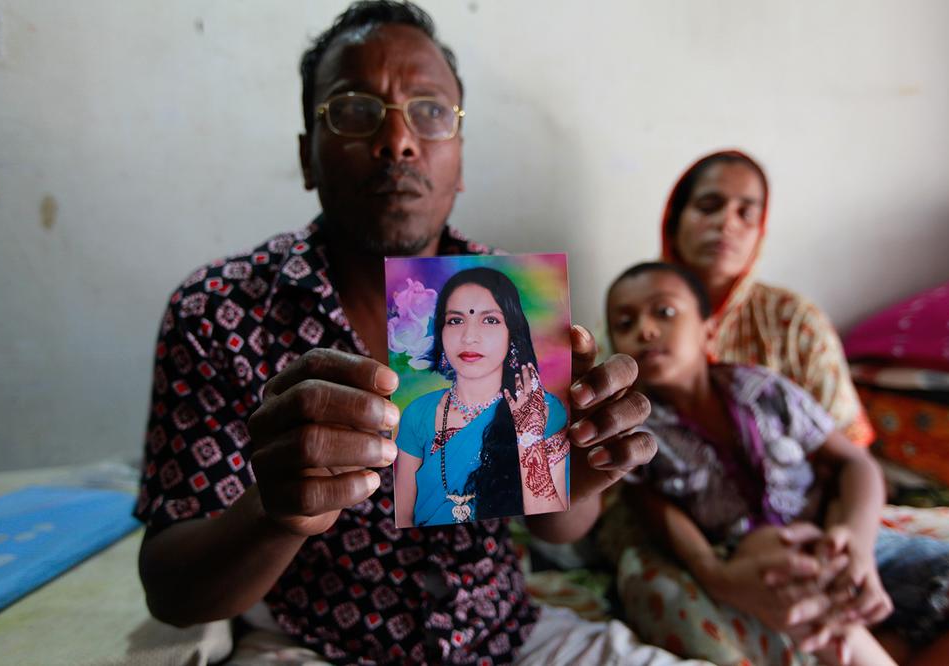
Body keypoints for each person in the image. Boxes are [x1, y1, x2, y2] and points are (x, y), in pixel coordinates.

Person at [134, 3, 686, 664]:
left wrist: (580, 475)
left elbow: (555, 526)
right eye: (354, 110)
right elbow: (172, 592)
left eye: (429, 111)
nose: (397, 140)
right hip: (316, 647)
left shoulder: (515, 300)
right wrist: (272, 513)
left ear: (459, 160)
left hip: (507, 637)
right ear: (307, 157)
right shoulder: (216, 312)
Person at [605, 260, 949, 665]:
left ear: (709, 329)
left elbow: (856, 464)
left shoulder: (764, 389)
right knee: (773, 550)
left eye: (664, 312)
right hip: (768, 571)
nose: (645, 330)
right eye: (625, 324)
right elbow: (665, 522)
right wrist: (719, 576)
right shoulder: (636, 437)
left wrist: (856, 544)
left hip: (847, 547)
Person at [660, 150, 874, 446]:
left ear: (760, 232)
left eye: (746, 214)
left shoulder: (796, 320)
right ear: (673, 223)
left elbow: (849, 445)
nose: (726, 222)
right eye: (709, 206)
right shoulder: (635, 314)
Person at [395, 267, 569, 527]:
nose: (469, 337)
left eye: (490, 320)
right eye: (455, 321)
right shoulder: (418, 413)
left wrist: (528, 434)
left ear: (512, 332)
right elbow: (403, 516)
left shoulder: (543, 410)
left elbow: (550, 518)